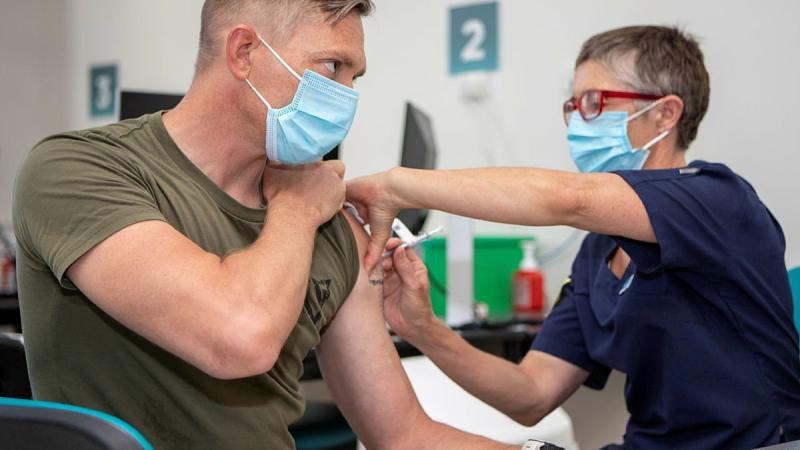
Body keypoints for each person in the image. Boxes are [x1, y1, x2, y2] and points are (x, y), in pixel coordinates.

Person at [12, 1, 521, 449]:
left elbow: (403, 434)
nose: (346, 97)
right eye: (331, 66)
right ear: (244, 53)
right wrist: (297, 207)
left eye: (355, 78)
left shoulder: (336, 231)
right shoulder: (77, 170)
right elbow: (238, 338)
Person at [347, 25, 800, 449]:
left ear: (665, 113)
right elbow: (531, 394)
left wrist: (395, 186)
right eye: (574, 106)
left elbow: (569, 200)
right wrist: (421, 327)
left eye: (594, 103)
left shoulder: (716, 200)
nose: (578, 123)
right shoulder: (599, 253)